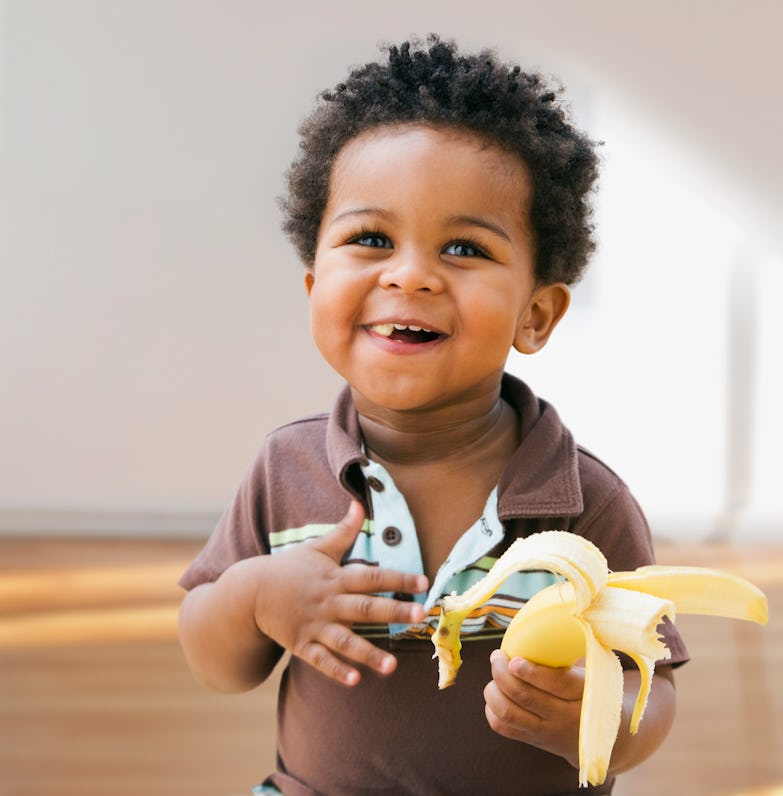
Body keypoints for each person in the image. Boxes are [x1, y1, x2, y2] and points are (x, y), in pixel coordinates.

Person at [178, 36, 688, 796]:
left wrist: (600, 715)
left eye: (463, 247)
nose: (410, 274)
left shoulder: (583, 505)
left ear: (537, 315)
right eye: (371, 238)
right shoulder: (288, 472)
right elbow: (217, 665)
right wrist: (256, 600)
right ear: (316, 285)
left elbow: (654, 688)